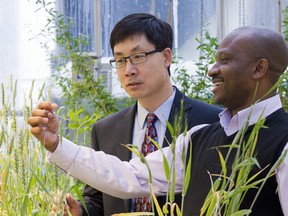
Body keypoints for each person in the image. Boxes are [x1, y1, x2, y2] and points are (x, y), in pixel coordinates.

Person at [28, 26, 288, 215]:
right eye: (120, 60)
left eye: (225, 60)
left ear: (258, 69)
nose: (212, 70)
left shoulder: (283, 143)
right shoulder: (198, 139)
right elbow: (129, 176)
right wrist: (56, 145)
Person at [34, 13, 222, 216]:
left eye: (138, 57)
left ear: (166, 57)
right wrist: (80, 211)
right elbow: (97, 198)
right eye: (120, 60)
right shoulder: (105, 129)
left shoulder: (211, 123)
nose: (128, 70)